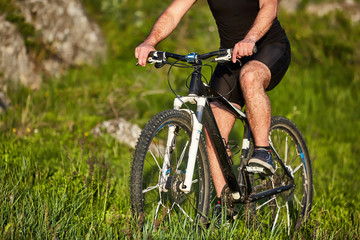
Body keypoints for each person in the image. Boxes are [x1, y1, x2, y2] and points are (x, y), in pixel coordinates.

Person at [135, 0, 291, 220]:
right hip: (230, 56)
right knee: (212, 130)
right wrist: (150, 42)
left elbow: (269, 8)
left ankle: (263, 150)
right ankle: (225, 204)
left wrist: (250, 38)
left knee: (250, 76)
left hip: (268, 47)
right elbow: (173, 13)